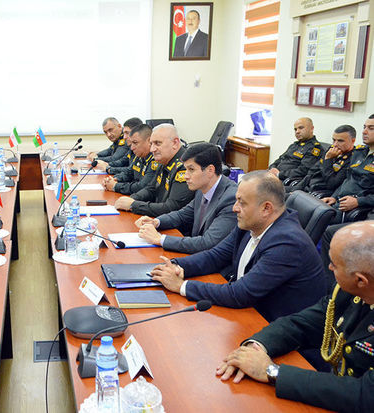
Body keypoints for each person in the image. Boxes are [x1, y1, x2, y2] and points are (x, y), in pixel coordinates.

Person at [216, 221, 374, 412]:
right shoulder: (348, 291)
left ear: (360, 280)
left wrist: (272, 372)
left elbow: (365, 394)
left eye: (334, 265)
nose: (330, 268)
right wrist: (256, 347)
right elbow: (304, 323)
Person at [149, 171, 326, 322]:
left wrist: (182, 286)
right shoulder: (251, 224)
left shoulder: (287, 242)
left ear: (266, 208)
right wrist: (177, 266)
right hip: (248, 313)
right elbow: (216, 256)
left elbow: (240, 293)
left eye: (242, 202)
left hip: (271, 327)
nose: (235, 208)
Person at [136, 142, 237, 254]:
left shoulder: (231, 199)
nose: (186, 176)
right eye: (186, 170)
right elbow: (182, 215)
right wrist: (156, 222)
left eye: (191, 170)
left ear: (210, 170)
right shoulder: (202, 187)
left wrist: (160, 239)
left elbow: (208, 243)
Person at [114, 123, 193, 216]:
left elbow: (171, 208)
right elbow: (151, 189)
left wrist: (133, 205)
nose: (152, 149)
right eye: (151, 144)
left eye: (158, 143)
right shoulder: (164, 160)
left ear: (175, 143)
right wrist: (132, 199)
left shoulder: (185, 166)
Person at [321, 114, 374, 221]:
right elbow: (348, 180)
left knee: (317, 221)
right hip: (339, 201)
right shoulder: (359, 152)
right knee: (306, 212)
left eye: (371, 128)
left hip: (355, 209)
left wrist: (358, 201)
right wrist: (334, 197)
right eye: (364, 127)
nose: (364, 132)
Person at [286, 124, 356, 197]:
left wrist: (328, 160)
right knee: (278, 190)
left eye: (340, 141)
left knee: (281, 198)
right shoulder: (331, 149)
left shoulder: (353, 159)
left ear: (353, 141)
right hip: (307, 187)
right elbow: (312, 172)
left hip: (319, 193)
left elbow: (332, 184)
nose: (335, 144)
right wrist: (296, 189)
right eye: (334, 140)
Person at [102, 124, 158, 197]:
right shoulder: (140, 155)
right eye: (132, 143)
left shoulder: (155, 161)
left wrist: (116, 186)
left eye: (135, 143)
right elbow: (129, 173)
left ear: (149, 141)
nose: (132, 148)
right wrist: (114, 179)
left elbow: (141, 186)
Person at [268, 117, 323, 183]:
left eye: (301, 128)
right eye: (295, 129)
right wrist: (272, 168)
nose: (297, 131)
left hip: (287, 180)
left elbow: (303, 171)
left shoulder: (315, 148)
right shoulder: (294, 145)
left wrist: (279, 174)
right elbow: (280, 159)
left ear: (311, 128)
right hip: (274, 176)